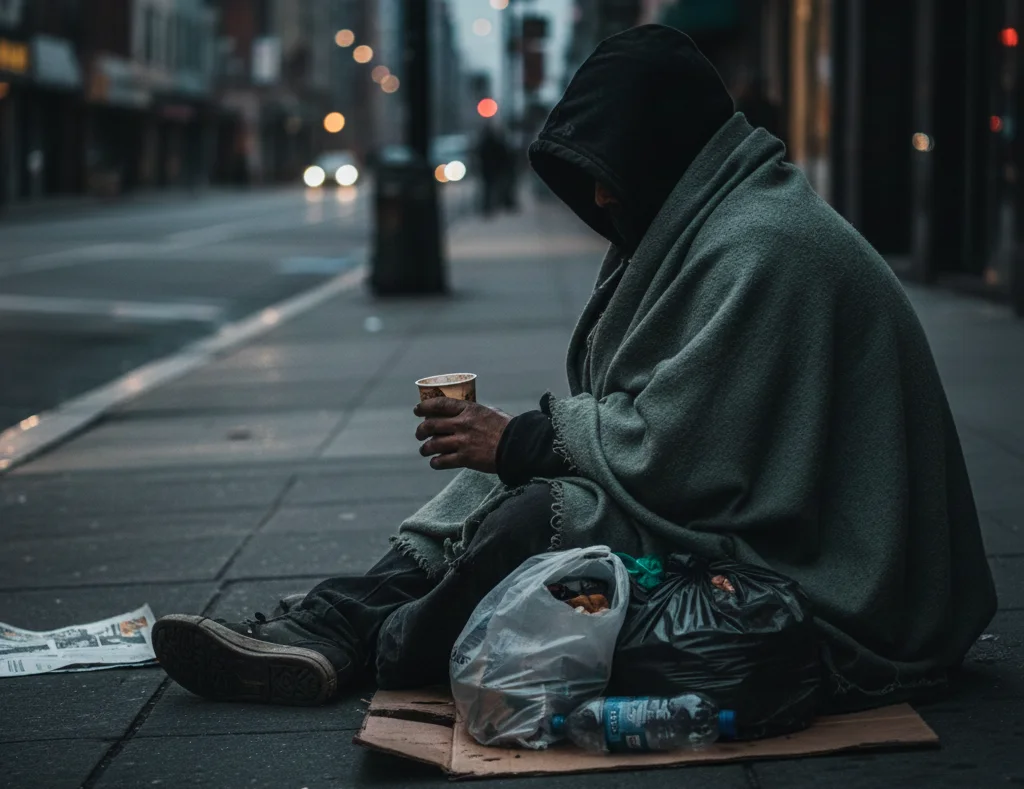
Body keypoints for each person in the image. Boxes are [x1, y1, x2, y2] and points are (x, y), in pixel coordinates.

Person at [153, 25, 996, 712]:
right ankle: (331, 622)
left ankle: (377, 646)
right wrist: (522, 444)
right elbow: (676, 438)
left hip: (844, 590)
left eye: (608, 173)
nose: (599, 201)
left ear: (662, 147)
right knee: (513, 487)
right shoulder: (719, 219)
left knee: (542, 516)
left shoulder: (765, 247)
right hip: (771, 519)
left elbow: (680, 457)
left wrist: (523, 441)